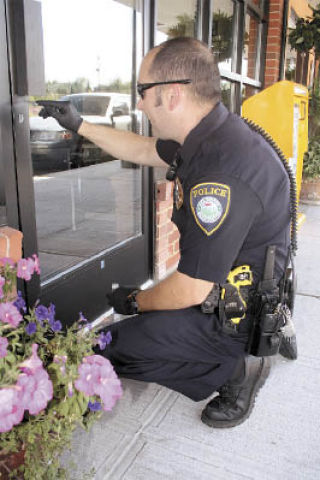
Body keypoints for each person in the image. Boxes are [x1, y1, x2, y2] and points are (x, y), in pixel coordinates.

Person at [38, 37, 294, 428]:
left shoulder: (223, 171)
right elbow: (141, 149)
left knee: (114, 349)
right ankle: (224, 359)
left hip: (233, 313)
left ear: (172, 95)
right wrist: (80, 124)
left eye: (142, 91)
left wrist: (137, 300)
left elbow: (189, 288)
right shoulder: (208, 136)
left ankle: (234, 370)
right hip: (223, 287)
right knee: (136, 331)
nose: (138, 103)